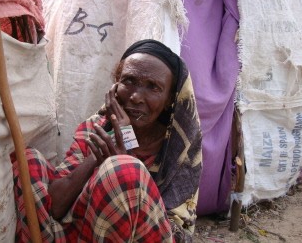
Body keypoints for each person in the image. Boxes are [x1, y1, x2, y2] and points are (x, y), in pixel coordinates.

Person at [11, 39, 202, 242]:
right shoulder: (97, 128)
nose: (136, 96)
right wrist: (95, 158)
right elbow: (56, 207)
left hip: (147, 235)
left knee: (124, 170)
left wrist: (125, 148)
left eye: (153, 87)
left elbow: (172, 223)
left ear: (169, 101)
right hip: (88, 230)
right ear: (115, 86)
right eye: (129, 81)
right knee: (27, 160)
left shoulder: (178, 145)